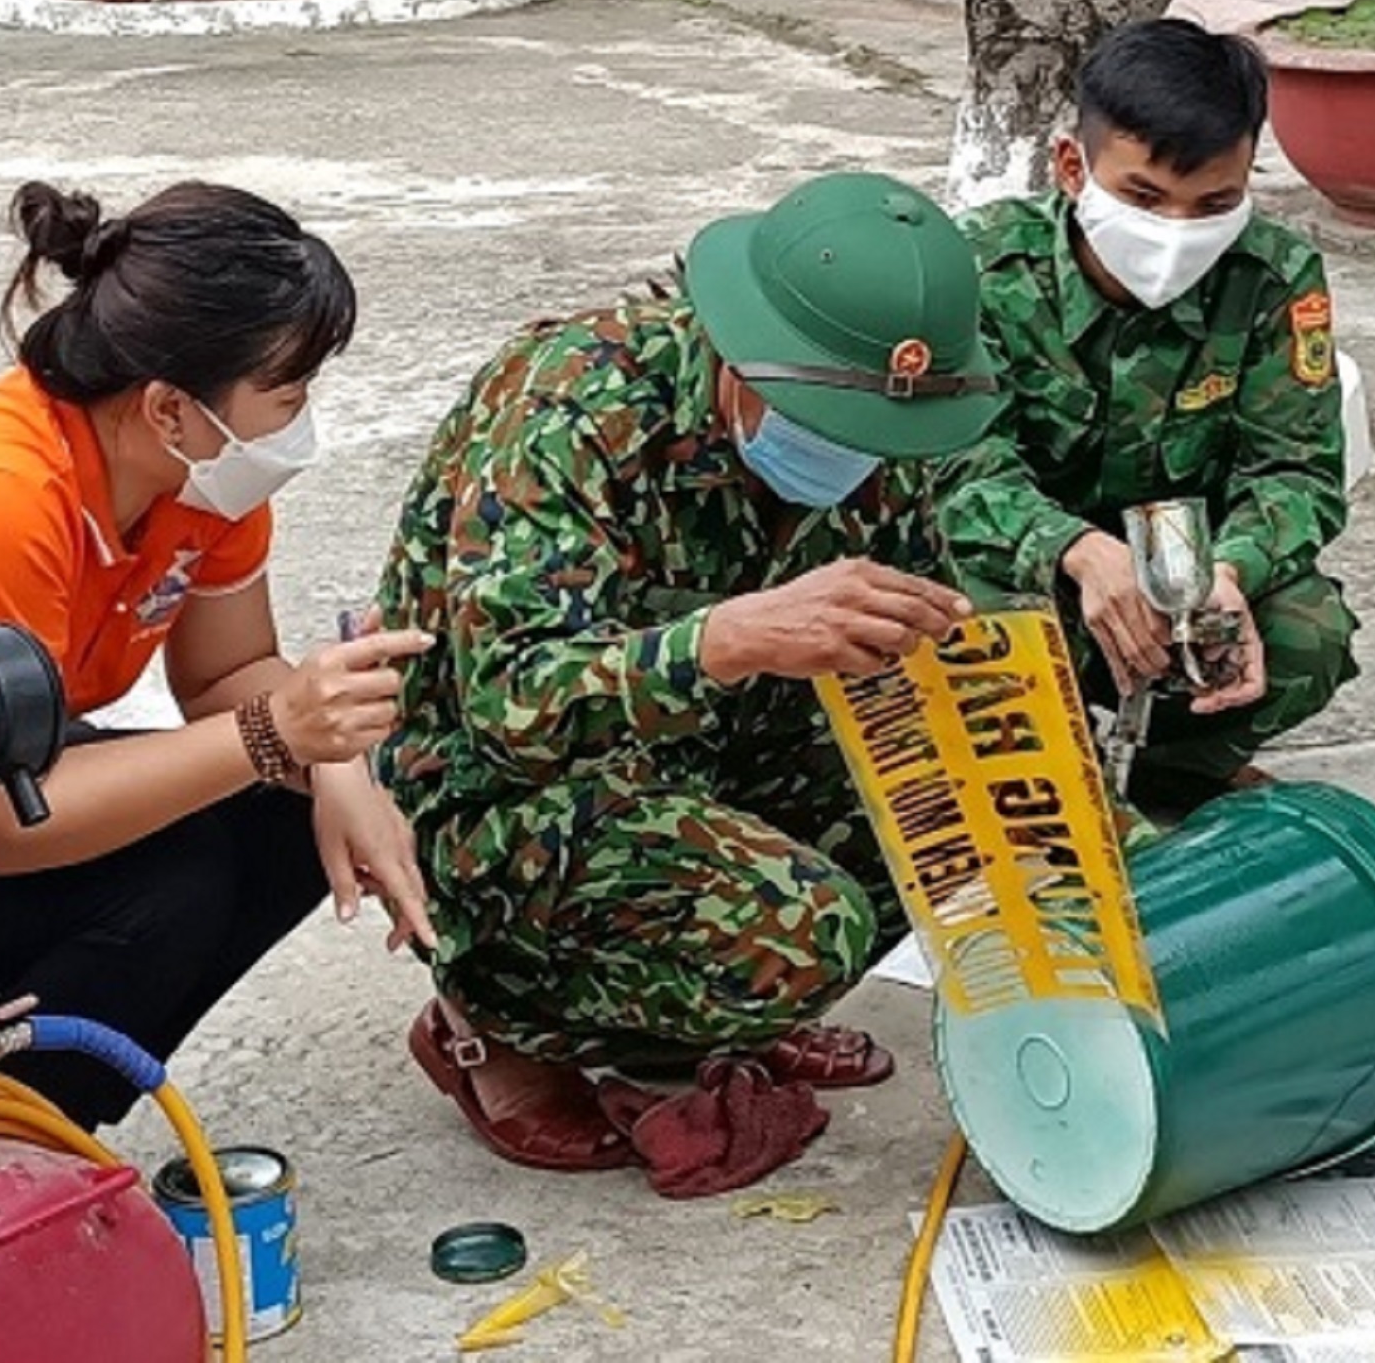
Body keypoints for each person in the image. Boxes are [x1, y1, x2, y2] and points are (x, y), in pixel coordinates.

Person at [0, 180, 434, 1127]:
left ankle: (39, 1110)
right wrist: (281, 729)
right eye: (286, 393)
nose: (299, 420)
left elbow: (220, 676)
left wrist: (340, 769)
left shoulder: (205, 481)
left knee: (285, 819)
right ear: (169, 409)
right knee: (173, 882)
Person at [375, 171, 1001, 1172]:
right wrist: (728, 639)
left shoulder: (879, 420)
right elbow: (510, 707)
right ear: (742, 360)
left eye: (884, 440)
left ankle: (708, 1019)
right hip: (493, 798)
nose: (863, 463)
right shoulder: (569, 410)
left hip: (701, 758)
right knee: (803, 929)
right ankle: (492, 1015)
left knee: (941, 826)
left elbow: (916, 620)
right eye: (833, 427)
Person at [937, 19, 1357, 819]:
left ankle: (1175, 772)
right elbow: (956, 469)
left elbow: (1297, 470)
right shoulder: (983, 270)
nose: (1174, 230)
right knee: (973, 633)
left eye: (1214, 203)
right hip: (1033, 569)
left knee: (1310, 632)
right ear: (1071, 166)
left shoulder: (1271, 277)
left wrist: (1228, 575)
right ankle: (1046, 777)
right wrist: (1078, 553)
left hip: (1182, 576)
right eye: (1142, 196)